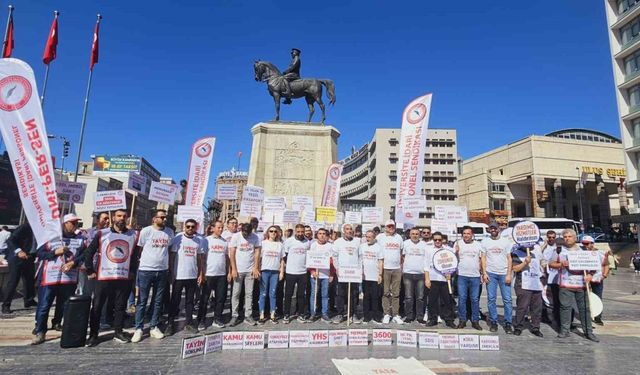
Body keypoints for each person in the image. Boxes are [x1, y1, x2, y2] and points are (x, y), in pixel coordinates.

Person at [84, 209, 138, 347]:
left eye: (124, 216)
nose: (122, 218)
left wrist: (132, 272)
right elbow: (89, 252)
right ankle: (93, 335)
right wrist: (90, 269)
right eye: (119, 216)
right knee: (97, 306)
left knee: (120, 306)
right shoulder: (102, 233)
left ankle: (118, 332)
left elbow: (134, 256)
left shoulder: (133, 235)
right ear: (113, 217)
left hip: (122, 277)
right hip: (104, 276)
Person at [32, 214, 86, 345]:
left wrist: (74, 263)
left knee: (64, 304)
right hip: (50, 277)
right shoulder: (50, 238)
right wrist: (54, 253)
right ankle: (40, 331)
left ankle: (57, 322)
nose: (75, 226)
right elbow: (39, 253)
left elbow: (84, 254)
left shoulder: (80, 239)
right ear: (64, 224)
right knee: (44, 305)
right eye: (72, 223)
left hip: (68, 278)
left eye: (76, 223)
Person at [132, 209, 175, 343]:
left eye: (165, 217)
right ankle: (138, 328)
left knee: (157, 301)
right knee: (142, 300)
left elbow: (169, 249)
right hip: (146, 270)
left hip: (162, 270)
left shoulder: (169, 232)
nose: (164, 220)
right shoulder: (146, 231)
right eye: (161, 217)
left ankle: (153, 326)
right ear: (154, 219)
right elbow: (139, 249)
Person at [549, 229, 599, 342]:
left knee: (584, 309)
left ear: (575, 238)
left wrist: (590, 275)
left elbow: (593, 266)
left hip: (581, 285)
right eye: (565, 237)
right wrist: (560, 264)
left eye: (569, 236)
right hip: (566, 284)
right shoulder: (559, 250)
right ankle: (564, 330)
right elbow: (551, 263)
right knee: (565, 307)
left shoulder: (584, 250)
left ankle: (588, 332)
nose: (567, 238)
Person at [165, 219, 205, 335]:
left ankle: (189, 322)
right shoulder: (178, 238)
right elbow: (172, 256)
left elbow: (199, 258)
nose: (190, 229)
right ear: (184, 227)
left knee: (190, 301)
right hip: (179, 275)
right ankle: (170, 323)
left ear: (195, 228)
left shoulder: (198, 241)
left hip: (192, 275)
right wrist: (171, 272)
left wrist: (200, 273)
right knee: (175, 300)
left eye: (193, 227)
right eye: (188, 227)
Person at [481, 222, 514, 333]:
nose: (493, 230)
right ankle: (493, 321)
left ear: (499, 229)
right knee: (491, 299)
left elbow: (509, 258)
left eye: (495, 228)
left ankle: (508, 322)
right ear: (489, 230)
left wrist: (509, 274)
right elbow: (483, 258)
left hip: (504, 273)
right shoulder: (485, 241)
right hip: (491, 273)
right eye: (491, 228)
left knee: (507, 300)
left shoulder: (505, 241)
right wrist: (484, 273)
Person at [198, 220, 230, 329]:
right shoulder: (206, 240)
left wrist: (228, 272)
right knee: (205, 298)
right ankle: (201, 320)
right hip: (209, 274)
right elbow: (202, 258)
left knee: (220, 298)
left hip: (221, 274)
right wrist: (202, 273)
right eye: (218, 227)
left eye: (222, 227)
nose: (220, 229)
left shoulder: (225, 242)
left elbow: (226, 258)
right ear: (212, 228)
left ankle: (217, 318)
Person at [229, 223, 261, 326]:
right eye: (244, 232)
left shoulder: (255, 237)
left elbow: (257, 253)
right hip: (238, 270)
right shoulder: (235, 237)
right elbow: (232, 253)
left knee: (249, 294)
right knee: (236, 293)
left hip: (250, 270)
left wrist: (255, 267)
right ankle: (234, 315)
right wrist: (233, 269)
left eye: (248, 233)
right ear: (241, 230)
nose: (246, 235)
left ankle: (248, 315)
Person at [424, 232, 457, 329]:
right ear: (432, 240)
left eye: (439, 239)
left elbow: (453, 263)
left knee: (447, 300)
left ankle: (449, 320)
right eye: (435, 240)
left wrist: (451, 273)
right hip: (433, 278)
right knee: (432, 300)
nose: (437, 241)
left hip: (445, 279)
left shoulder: (449, 250)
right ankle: (432, 319)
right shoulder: (429, 250)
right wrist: (427, 279)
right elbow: (426, 265)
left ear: (442, 240)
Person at [2, 223, 37, 314]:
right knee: (13, 281)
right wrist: (19, 251)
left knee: (29, 280)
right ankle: (6, 304)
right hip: (17, 258)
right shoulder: (25, 227)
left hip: (30, 256)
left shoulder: (40, 229)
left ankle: (29, 300)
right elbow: (10, 240)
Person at [511, 243, 544, 337]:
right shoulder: (516, 253)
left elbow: (541, 263)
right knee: (522, 306)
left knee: (537, 307)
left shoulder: (537, 251)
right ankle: (518, 326)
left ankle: (535, 327)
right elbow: (515, 268)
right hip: (523, 283)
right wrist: (525, 262)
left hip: (536, 283)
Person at [332, 223, 362, 324]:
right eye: (347, 229)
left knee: (354, 294)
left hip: (354, 273)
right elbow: (335, 256)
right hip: (342, 273)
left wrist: (360, 269)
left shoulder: (358, 242)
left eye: (351, 229)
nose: (349, 231)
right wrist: (337, 268)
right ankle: (340, 314)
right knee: (340, 294)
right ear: (343, 231)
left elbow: (360, 257)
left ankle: (353, 314)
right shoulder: (337, 242)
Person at [455, 226, 483, 330]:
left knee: (475, 299)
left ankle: (475, 320)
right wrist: (456, 252)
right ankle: (462, 320)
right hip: (462, 275)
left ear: (472, 235)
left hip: (475, 276)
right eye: (464, 233)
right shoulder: (458, 244)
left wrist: (482, 273)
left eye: (468, 233)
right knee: (462, 299)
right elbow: (453, 259)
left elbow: (481, 260)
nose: (466, 235)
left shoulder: (478, 245)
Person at [378, 219, 404, 324]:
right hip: (385, 268)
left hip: (396, 268)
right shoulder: (380, 237)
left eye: (392, 226)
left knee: (396, 293)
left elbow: (401, 252)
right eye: (388, 226)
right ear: (385, 227)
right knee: (385, 293)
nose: (391, 228)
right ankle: (386, 314)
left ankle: (395, 314)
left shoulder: (399, 237)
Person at [78, 212, 110, 297]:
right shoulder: (88, 233)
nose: (107, 221)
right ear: (97, 220)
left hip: (103, 268)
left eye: (108, 218)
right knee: (85, 291)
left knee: (99, 293)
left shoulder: (111, 234)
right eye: (105, 218)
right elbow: (82, 249)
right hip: (88, 267)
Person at [283, 224, 310, 323]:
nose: (300, 234)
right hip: (291, 272)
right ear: (295, 231)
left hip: (303, 272)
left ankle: (301, 314)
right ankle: (286, 314)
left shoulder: (307, 242)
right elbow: (285, 256)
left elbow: (309, 256)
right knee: (288, 294)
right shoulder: (289, 241)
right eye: (298, 232)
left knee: (301, 295)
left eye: (302, 232)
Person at [258, 225, 285, 324]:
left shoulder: (280, 245)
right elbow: (259, 258)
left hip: (275, 272)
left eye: (275, 231)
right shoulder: (263, 243)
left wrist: (281, 271)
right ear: (267, 233)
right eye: (271, 231)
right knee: (263, 293)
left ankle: (272, 314)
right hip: (264, 270)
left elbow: (282, 259)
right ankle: (261, 314)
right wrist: (257, 270)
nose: (273, 233)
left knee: (272, 294)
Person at [402, 228, 428, 323]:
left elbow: (426, 259)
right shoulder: (405, 243)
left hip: (420, 274)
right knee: (408, 297)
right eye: (413, 233)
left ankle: (420, 317)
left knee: (420, 297)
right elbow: (403, 257)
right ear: (409, 234)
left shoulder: (424, 245)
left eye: (417, 234)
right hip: (408, 273)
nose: (415, 235)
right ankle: (409, 316)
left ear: (419, 235)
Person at [309, 228, 333, 323]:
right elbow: (310, 259)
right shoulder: (313, 245)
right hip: (315, 274)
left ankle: (324, 313)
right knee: (313, 294)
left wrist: (331, 274)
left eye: (324, 233)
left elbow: (332, 261)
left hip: (326, 275)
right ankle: (313, 313)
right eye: (320, 233)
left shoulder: (330, 246)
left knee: (325, 295)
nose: (322, 235)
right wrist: (312, 271)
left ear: (327, 236)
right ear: (317, 235)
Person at [582, 235, 608, 326]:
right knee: (585, 298)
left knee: (598, 297)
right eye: (583, 244)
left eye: (586, 243)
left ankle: (598, 317)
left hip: (597, 278)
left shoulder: (600, 253)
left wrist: (604, 275)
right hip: (585, 279)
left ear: (592, 243)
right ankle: (587, 315)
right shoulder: (580, 253)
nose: (585, 245)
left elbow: (606, 264)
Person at [360, 230, 383, 323]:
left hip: (375, 276)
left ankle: (375, 316)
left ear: (374, 238)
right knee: (366, 297)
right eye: (367, 236)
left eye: (370, 237)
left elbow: (381, 261)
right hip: (364, 276)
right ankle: (366, 316)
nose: (368, 238)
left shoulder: (379, 247)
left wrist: (380, 274)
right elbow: (359, 260)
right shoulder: (362, 247)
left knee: (375, 297)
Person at [541, 230, 560, 329]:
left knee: (554, 295)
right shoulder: (544, 246)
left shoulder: (558, 247)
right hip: (544, 273)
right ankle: (544, 314)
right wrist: (544, 244)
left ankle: (555, 314)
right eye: (549, 237)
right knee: (543, 293)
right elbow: (539, 254)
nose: (551, 239)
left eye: (553, 237)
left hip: (555, 274)